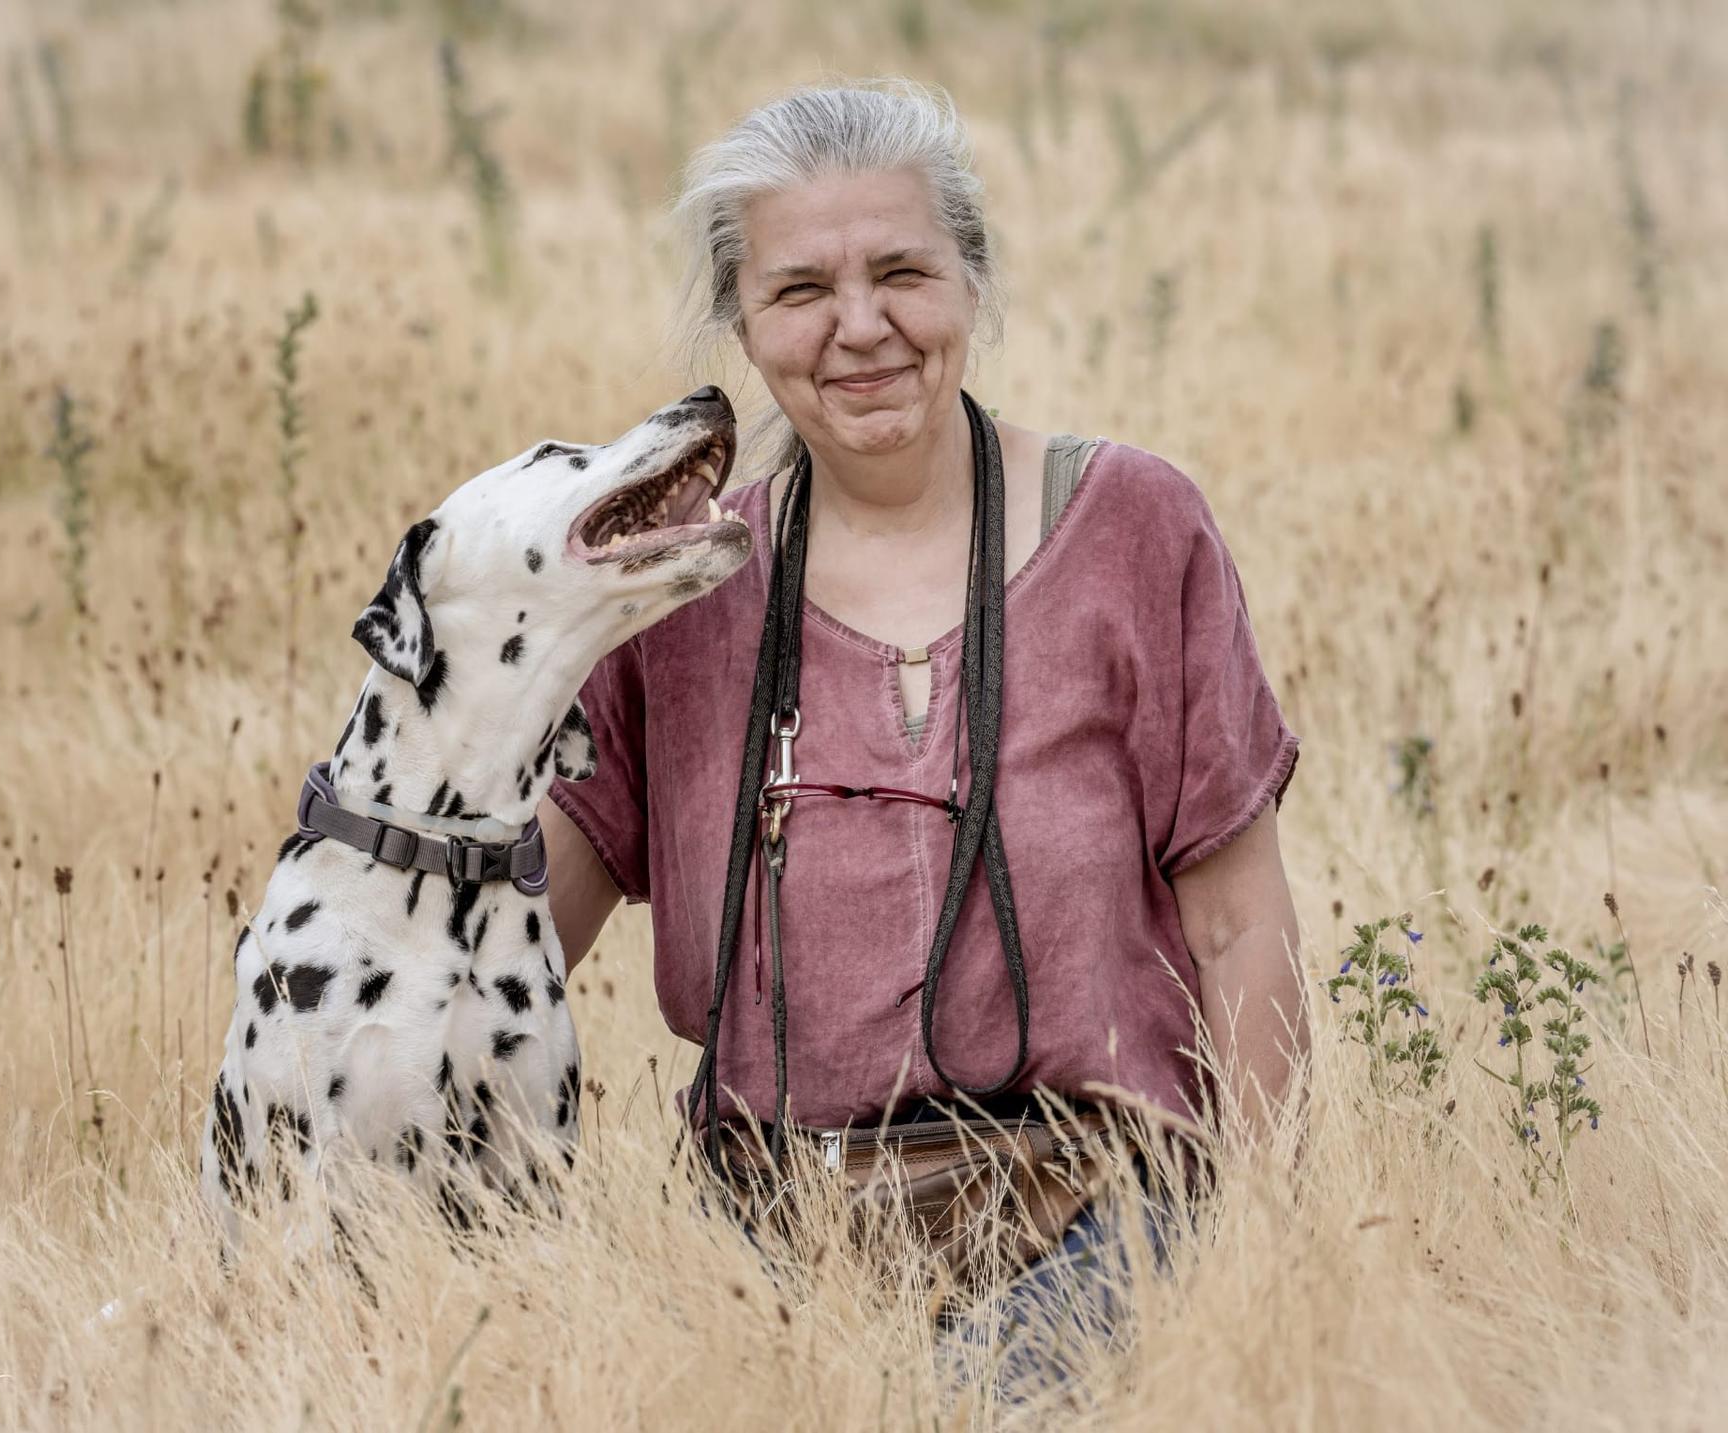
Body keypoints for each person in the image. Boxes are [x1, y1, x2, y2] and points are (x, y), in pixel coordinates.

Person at [537, 78, 1305, 1399]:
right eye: (799, 290)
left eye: (903, 270)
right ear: (741, 322)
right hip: (771, 1241)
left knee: (966, 1401)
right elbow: (508, 935)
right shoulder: (679, 589)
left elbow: (1242, 930)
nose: (860, 328)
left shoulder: (1131, 527)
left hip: (1106, 1207)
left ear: (973, 282)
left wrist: (1264, 1255)